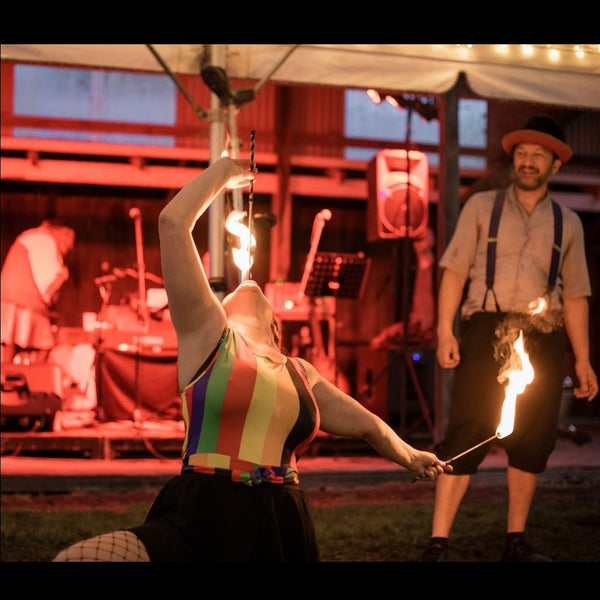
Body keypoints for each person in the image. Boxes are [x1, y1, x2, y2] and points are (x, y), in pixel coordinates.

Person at [53, 155, 451, 562]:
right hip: (205, 511)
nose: (245, 282)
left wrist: (410, 456)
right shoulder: (211, 336)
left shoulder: (299, 371)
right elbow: (172, 223)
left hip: (280, 521)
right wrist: (222, 173)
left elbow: (369, 425)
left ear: (277, 327)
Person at [421, 116, 598, 562]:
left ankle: (514, 540)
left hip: (542, 335)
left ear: (554, 165)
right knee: (466, 431)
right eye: (521, 154)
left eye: (538, 155)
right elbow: (454, 272)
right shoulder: (482, 207)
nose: (527, 161)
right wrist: (445, 330)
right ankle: (438, 541)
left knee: (533, 437)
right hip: (486, 329)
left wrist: (583, 359)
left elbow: (575, 297)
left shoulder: (568, 223)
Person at [1, 218, 75, 364]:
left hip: (8, 298)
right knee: (45, 343)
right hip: (24, 301)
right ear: (60, 231)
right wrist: (61, 276)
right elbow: (47, 280)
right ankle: (33, 378)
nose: (69, 246)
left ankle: (7, 379)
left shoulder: (30, 237)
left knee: (10, 342)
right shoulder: (45, 241)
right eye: (68, 238)